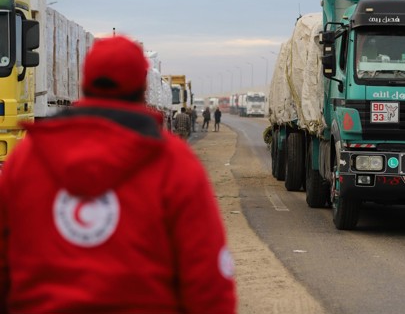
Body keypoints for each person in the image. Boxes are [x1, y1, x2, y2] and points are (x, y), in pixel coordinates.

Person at [0, 35, 236, 313]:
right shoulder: (173, 163)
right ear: (142, 88)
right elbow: (207, 283)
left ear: (83, 83)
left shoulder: (28, 158)